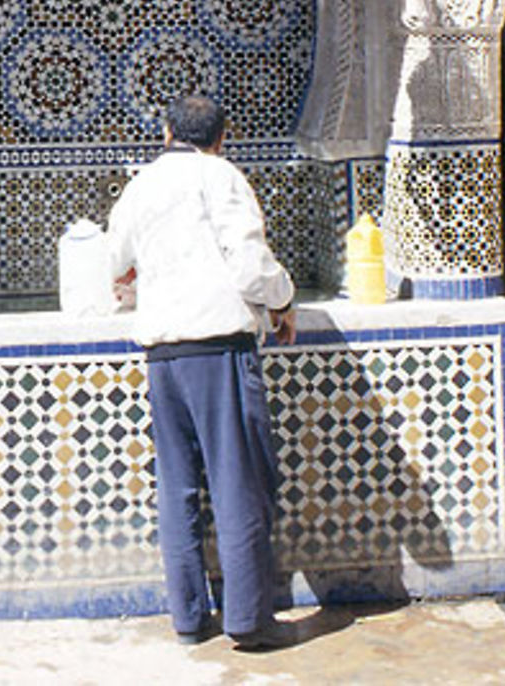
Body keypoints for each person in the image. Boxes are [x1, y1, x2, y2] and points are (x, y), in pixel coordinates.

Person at [107, 94, 296, 650]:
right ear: (223, 135)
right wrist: (282, 300)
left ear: (167, 132)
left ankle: (189, 619)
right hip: (219, 349)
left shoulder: (140, 185)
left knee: (178, 488)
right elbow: (249, 264)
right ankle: (248, 620)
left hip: (164, 355)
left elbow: (115, 261)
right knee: (237, 482)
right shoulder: (221, 176)